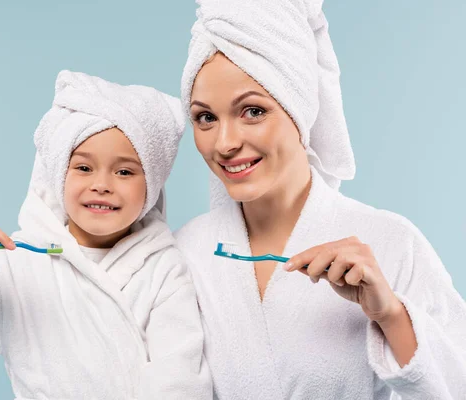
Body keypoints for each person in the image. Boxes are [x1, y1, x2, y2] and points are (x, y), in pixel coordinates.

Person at [175, 0, 466, 398]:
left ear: (299, 108)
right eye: (205, 117)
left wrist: (392, 316)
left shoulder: (390, 243)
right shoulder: (186, 252)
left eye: (253, 111)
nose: (225, 143)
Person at [0, 70, 212, 400]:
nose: (102, 184)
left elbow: (180, 376)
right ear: (57, 173)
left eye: (124, 171)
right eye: (82, 167)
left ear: (151, 183)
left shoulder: (164, 267)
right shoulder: (17, 261)